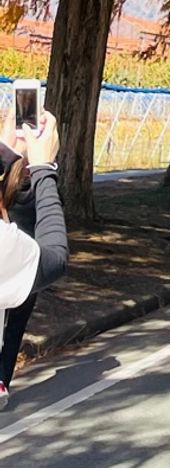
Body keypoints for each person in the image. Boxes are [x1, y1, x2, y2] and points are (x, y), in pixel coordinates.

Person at [0, 111, 69, 408]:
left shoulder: (10, 184)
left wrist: (6, 151)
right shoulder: (35, 187)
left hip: (21, 261)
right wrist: (44, 169)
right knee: (13, 326)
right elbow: (56, 257)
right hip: (25, 262)